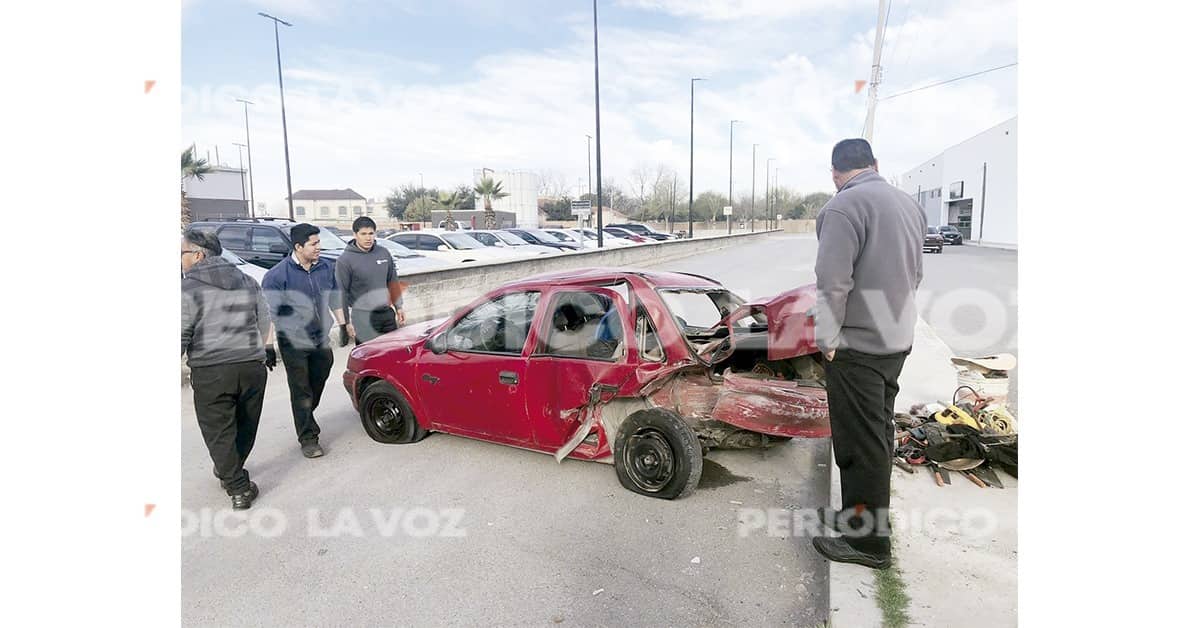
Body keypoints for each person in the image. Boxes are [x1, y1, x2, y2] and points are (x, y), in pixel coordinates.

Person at [811, 138, 925, 570]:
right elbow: (916, 273)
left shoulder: (842, 207)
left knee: (860, 442)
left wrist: (828, 339)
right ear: (875, 163)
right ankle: (855, 517)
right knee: (878, 433)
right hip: (896, 340)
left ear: (835, 172)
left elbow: (832, 283)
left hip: (857, 346)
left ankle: (869, 543)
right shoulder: (907, 204)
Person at [181, 230, 274, 509]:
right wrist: (264, 349)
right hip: (250, 366)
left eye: (182, 254)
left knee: (218, 429)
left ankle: (237, 487)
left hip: (212, 370)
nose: (179, 260)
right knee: (245, 422)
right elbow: (264, 317)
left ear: (197, 255)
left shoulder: (187, 289)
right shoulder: (247, 280)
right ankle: (229, 469)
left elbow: (181, 331)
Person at [261, 223, 348, 459]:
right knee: (300, 389)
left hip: (319, 337)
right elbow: (268, 313)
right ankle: (308, 438)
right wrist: (268, 346)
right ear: (298, 247)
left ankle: (305, 413)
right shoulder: (277, 276)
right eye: (314, 243)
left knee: (320, 375)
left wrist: (342, 325)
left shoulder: (326, 268)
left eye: (319, 242)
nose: (319, 247)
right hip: (293, 341)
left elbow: (334, 299)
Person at [336, 216, 406, 345]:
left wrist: (399, 307)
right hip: (363, 318)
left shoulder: (383, 253)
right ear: (355, 234)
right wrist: (346, 323)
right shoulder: (345, 260)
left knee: (392, 354)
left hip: (387, 315)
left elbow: (392, 280)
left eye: (371, 233)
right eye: (363, 234)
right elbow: (342, 293)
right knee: (369, 357)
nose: (368, 238)